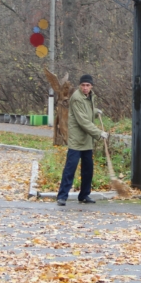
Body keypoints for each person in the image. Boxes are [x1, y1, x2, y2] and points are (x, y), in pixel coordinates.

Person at [56, 74, 108, 206]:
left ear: (91, 86)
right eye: (83, 85)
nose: (85, 88)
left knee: (88, 169)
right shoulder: (76, 98)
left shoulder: (90, 96)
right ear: (80, 86)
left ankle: (84, 195)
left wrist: (96, 111)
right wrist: (99, 133)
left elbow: (87, 111)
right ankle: (62, 196)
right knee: (70, 168)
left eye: (88, 85)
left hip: (87, 140)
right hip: (77, 140)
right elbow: (83, 120)